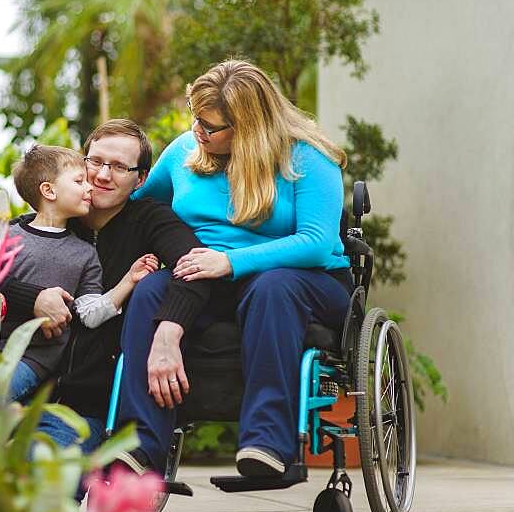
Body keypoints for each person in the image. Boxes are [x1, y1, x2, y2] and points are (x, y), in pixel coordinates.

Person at [116, 59, 353, 478]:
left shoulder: (308, 159)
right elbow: (139, 211)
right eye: (196, 120)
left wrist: (231, 261)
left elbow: (316, 243)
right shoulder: (184, 154)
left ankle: (267, 443)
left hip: (306, 281)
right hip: (209, 280)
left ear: (249, 127)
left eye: (210, 127)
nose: (198, 133)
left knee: (273, 288)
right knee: (153, 289)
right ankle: (140, 446)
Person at [0, 120, 212, 448]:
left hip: (85, 408)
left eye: (119, 167)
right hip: (19, 383)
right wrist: (35, 298)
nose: (101, 175)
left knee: (43, 473)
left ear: (140, 179)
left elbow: (196, 268)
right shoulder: (45, 223)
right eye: (95, 161)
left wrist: (169, 331)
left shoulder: (150, 222)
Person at [0, 144, 159, 403]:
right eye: (80, 181)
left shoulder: (84, 254)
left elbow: (89, 314)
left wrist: (128, 280)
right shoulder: (9, 236)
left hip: (31, 359)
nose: (90, 188)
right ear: (49, 190)